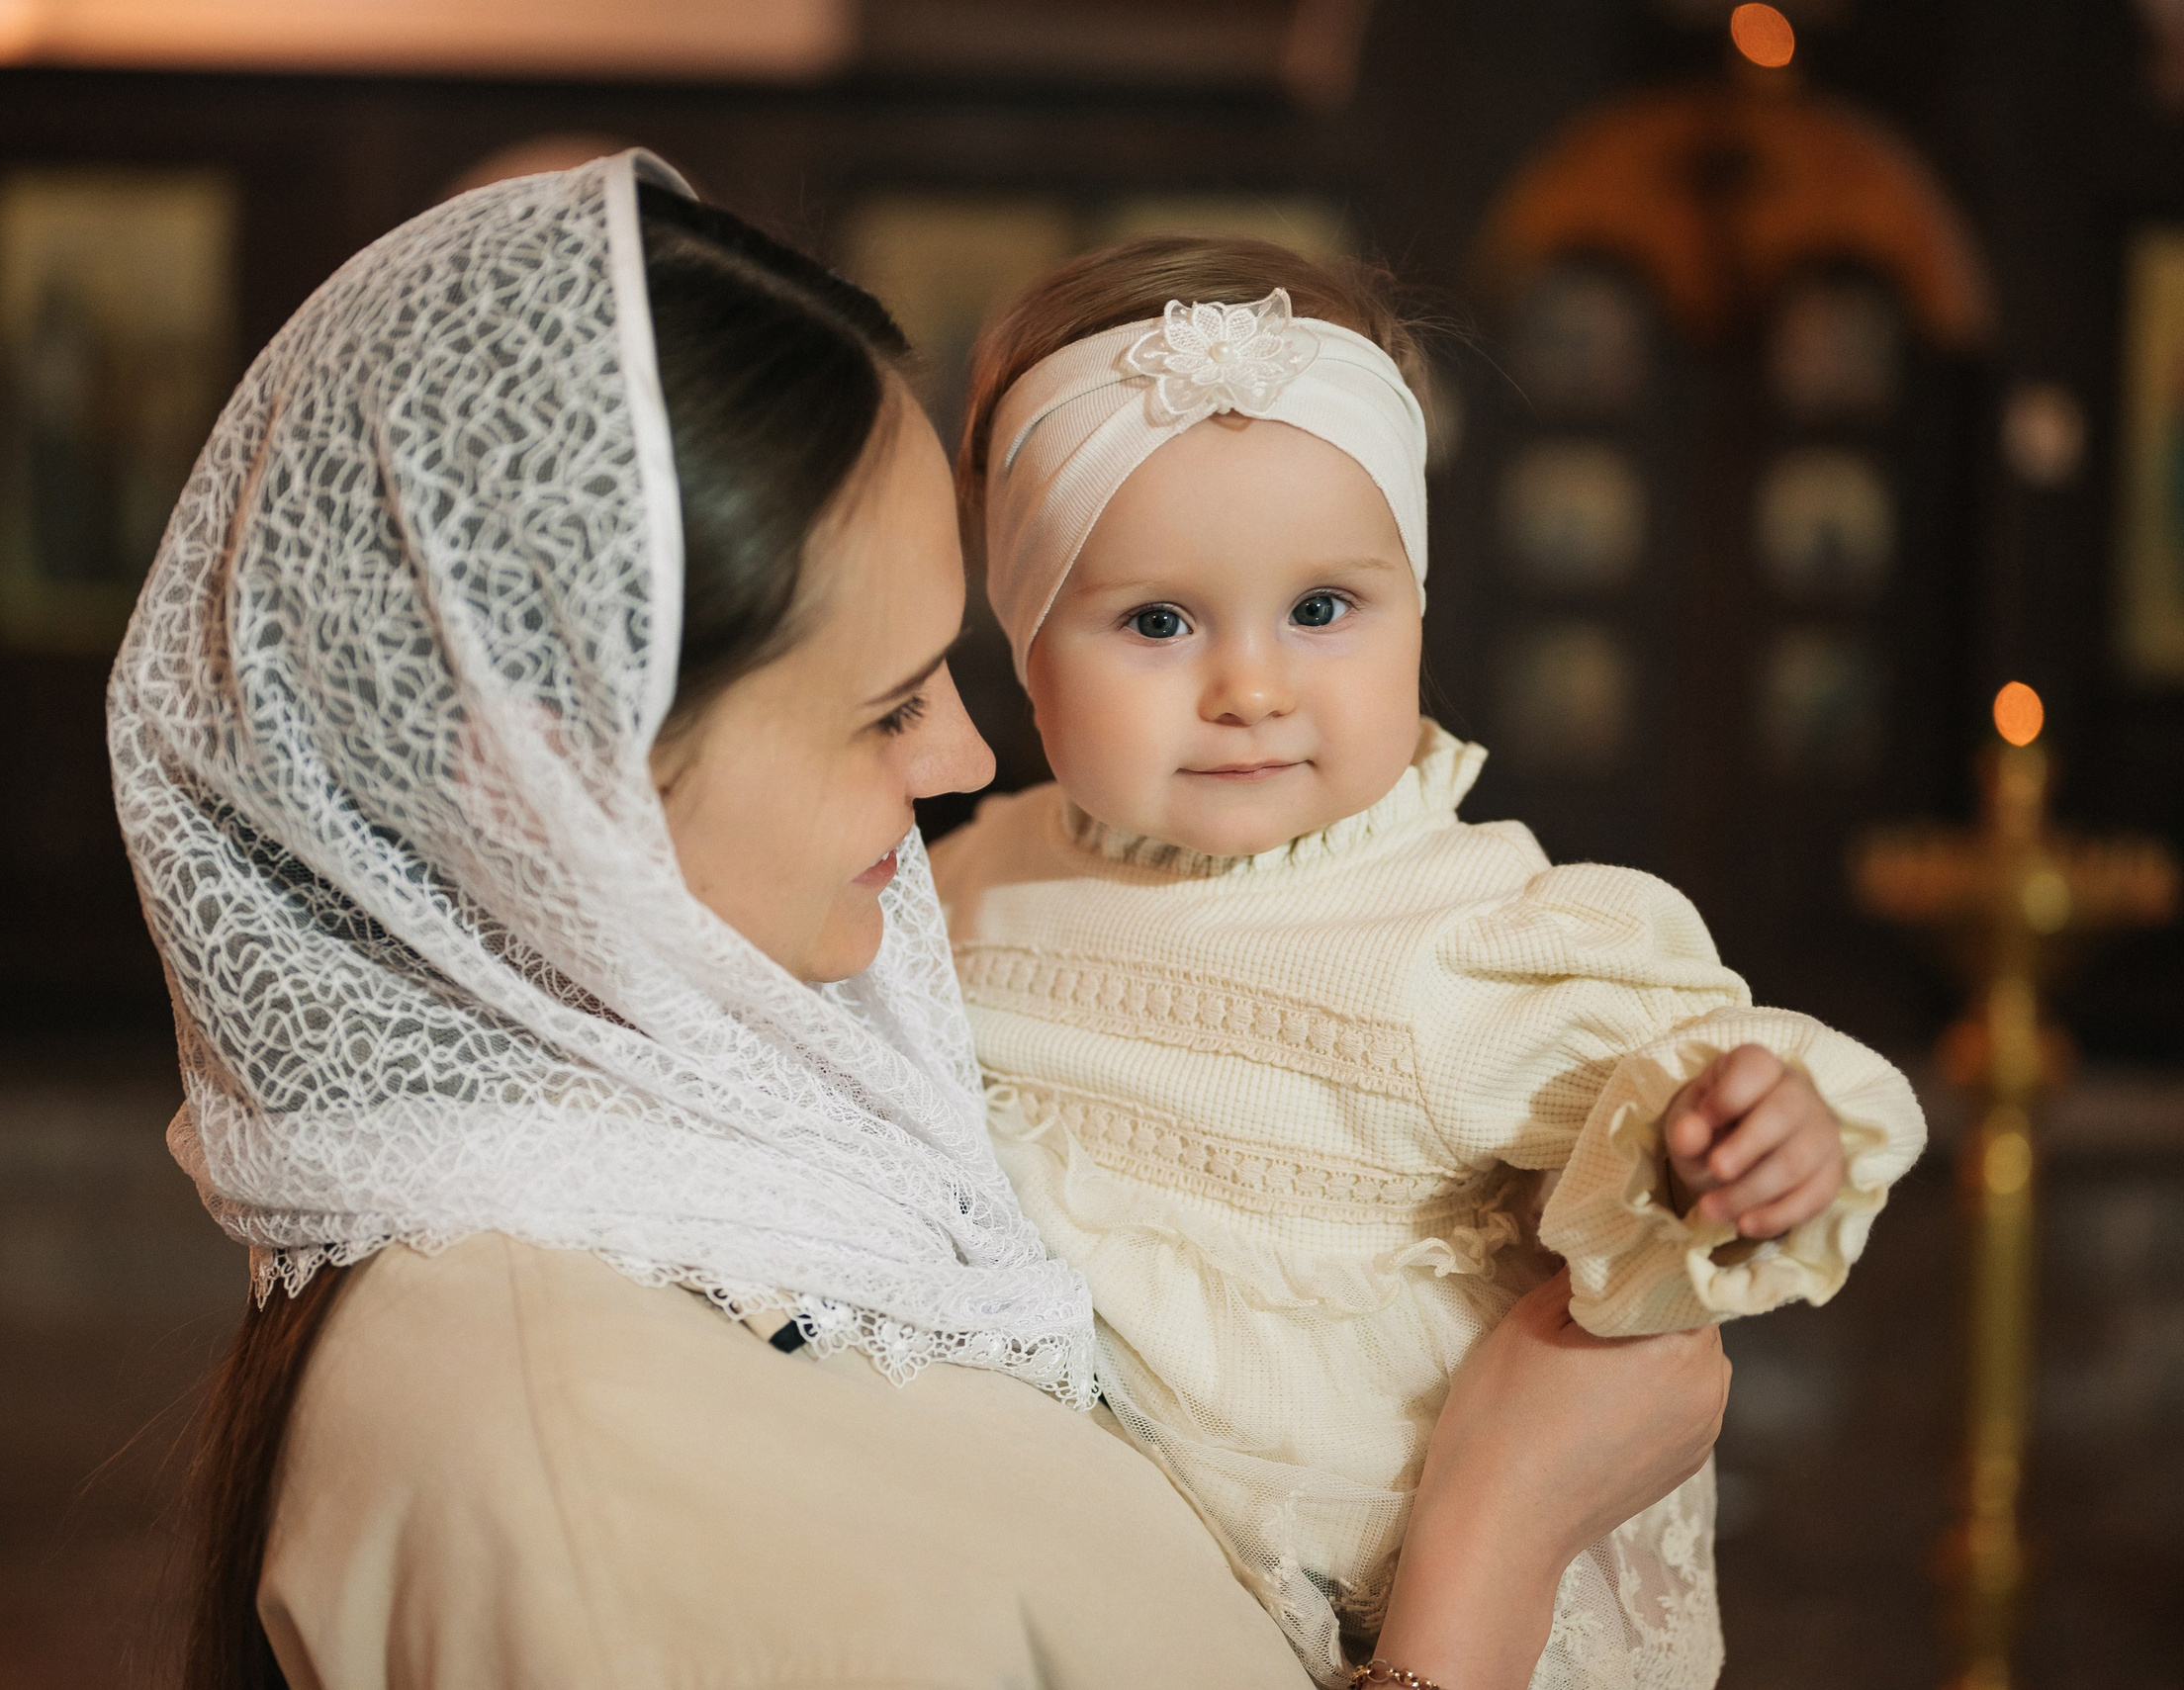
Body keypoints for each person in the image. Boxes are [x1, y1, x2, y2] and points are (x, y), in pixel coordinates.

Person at [111, 151, 1731, 1690]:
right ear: (548, 780)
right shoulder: (572, 1459)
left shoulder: (774, 1133)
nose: (964, 757)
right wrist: (1493, 1540)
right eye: (886, 706)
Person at [928, 240, 1929, 1687]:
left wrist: (1753, 1124)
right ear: (1028, 648)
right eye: (1158, 620)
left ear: (1416, 598)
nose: (1253, 687)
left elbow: (1653, 1087)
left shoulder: (1461, 930)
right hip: (1093, 1577)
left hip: (1418, 1597)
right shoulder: (975, 882)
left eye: (1323, 608)